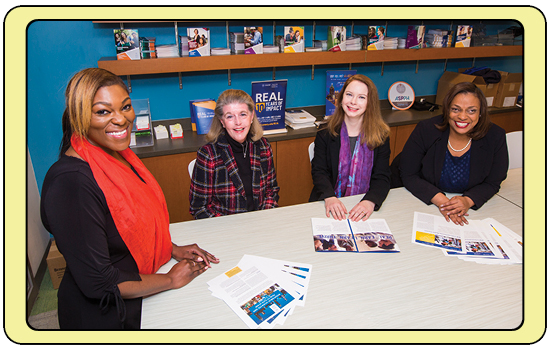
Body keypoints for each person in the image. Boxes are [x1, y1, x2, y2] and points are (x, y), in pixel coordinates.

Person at [40, 68, 219, 329]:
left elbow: (128, 227)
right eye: (103, 111)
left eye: (125, 107)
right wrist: (170, 279)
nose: (121, 119)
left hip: (141, 286)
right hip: (106, 316)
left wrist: (170, 249)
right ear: (79, 116)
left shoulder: (116, 155)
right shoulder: (71, 184)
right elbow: (100, 282)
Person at [399, 82, 508, 226]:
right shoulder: (426, 129)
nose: (462, 117)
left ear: (480, 112)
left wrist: (468, 201)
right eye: (456, 109)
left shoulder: (495, 136)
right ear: (447, 110)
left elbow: (493, 181)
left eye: (471, 111)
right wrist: (442, 202)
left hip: (474, 212)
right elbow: (408, 174)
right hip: (423, 203)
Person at [309, 74, 391, 222]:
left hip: (363, 204)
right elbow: (319, 171)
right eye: (349, 95)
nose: (353, 102)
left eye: (361, 97)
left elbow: (382, 176)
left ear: (370, 103)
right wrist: (329, 197)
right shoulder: (325, 132)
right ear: (341, 99)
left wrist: (370, 201)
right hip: (329, 203)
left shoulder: (381, 136)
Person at [189, 89, 279, 219]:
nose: (238, 122)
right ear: (222, 121)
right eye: (230, 116)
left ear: (252, 116)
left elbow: (271, 191)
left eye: (243, 114)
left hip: (260, 222)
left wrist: (264, 219)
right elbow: (198, 208)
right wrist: (229, 230)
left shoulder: (263, 146)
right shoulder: (208, 154)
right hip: (224, 228)